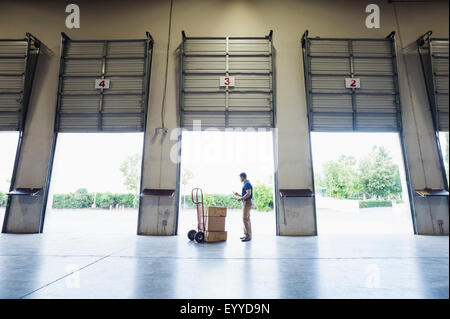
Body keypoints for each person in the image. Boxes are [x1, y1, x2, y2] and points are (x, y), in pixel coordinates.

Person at [233, 172, 253, 242]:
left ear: (242, 177)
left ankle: (248, 236)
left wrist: (241, 199)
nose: (239, 179)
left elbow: (248, 194)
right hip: (246, 202)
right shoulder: (245, 183)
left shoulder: (247, 183)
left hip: (247, 202)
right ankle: (247, 235)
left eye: (240, 177)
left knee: (245, 218)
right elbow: (245, 194)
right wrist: (238, 195)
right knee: (246, 219)